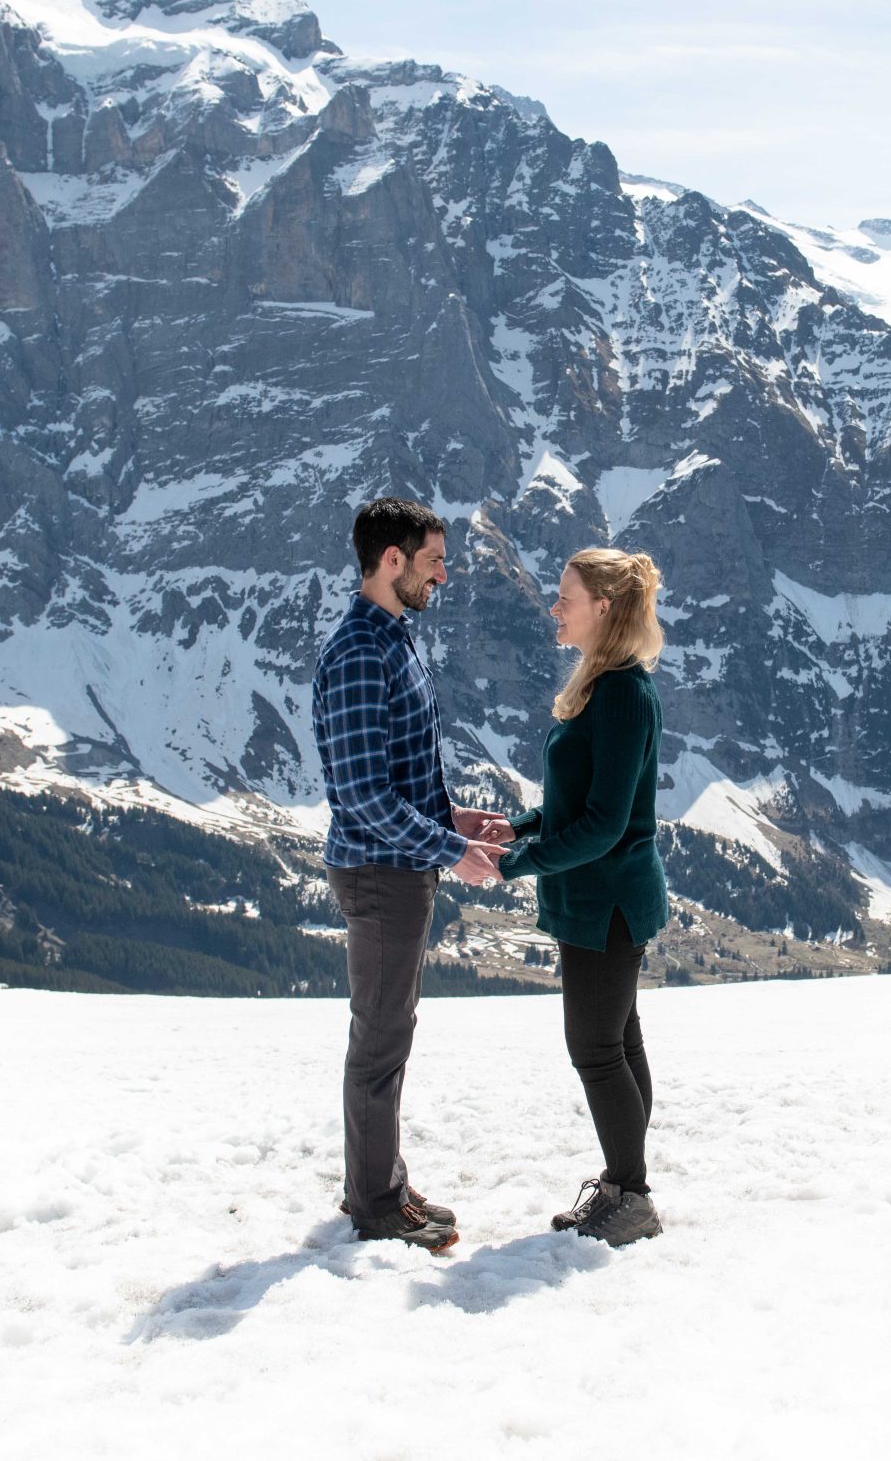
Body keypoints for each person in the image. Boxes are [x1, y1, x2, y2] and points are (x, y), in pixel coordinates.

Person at [312, 497, 511, 1253]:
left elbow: (395, 777)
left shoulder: (391, 638)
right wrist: (450, 851)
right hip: (381, 872)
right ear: (391, 560)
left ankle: (382, 1181)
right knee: (381, 1037)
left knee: (389, 1031)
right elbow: (363, 794)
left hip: (397, 862)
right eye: (433, 561)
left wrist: (453, 820)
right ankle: (374, 1202)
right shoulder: (364, 651)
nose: (444, 575)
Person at [497, 547, 669, 1248]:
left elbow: (606, 823)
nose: (554, 607)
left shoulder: (624, 691)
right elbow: (579, 804)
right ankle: (626, 1184)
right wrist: (516, 826)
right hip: (596, 899)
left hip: (608, 901)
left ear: (603, 606)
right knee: (618, 1042)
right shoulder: (603, 684)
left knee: (596, 1046)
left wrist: (517, 863)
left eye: (564, 596)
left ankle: (632, 1195)